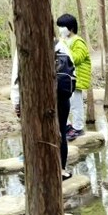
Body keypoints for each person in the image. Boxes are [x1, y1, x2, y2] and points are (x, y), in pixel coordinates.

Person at [11, 37, 76, 179]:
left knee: (37, 133)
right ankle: (61, 169)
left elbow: (16, 76)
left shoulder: (24, 46)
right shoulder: (60, 44)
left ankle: (40, 170)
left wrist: (16, 102)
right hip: (61, 98)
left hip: (35, 99)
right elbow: (72, 72)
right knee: (61, 133)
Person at [56, 13, 91, 141]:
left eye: (62, 26)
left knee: (76, 104)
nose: (60, 29)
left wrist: (64, 49)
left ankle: (78, 128)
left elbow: (76, 58)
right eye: (59, 26)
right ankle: (69, 126)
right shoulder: (64, 41)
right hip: (67, 79)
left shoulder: (78, 41)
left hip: (77, 78)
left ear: (70, 27)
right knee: (67, 104)